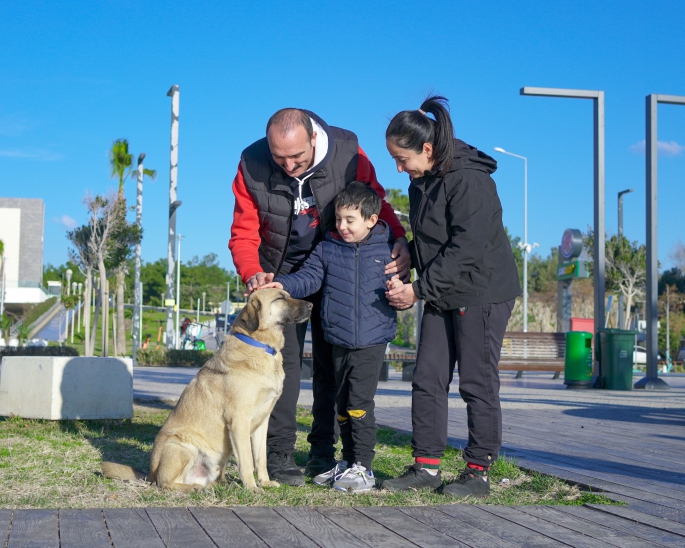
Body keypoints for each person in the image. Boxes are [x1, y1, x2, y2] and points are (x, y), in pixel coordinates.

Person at [229, 108, 410, 486]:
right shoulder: (251, 163)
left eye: (298, 156)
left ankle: (321, 454)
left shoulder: (349, 152)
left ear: (313, 138)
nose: (290, 165)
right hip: (281, 276)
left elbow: (375, 203)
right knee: (282, 369)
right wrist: (253, 273)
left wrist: (399, 241)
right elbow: (243, 232)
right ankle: (278, 455)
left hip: (336, 263)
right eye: (280, 158)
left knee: (329, 369)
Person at [380, 96, 521, 498]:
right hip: (443, 289)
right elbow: (433, 234)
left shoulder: (469, 179)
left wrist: (419, 291)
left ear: (427, 148)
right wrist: (407, 246)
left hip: (481, 291)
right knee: (427, 377)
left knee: (476, 382)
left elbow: (466, 247)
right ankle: (426, 467)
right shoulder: (421, 178)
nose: (399, 167)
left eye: (401, 158)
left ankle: (478, 471)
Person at [258, 182, 396, 493]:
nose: (342, 226)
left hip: (371, 341)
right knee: (342, 402)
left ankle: (364, 466)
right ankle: (347, 462)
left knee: (359, 403)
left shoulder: (387, 250)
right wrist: (278, 285)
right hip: (338, 337)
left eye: (351, 220)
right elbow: (308, 278)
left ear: (371, 220)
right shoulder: (327, 248)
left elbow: (402, 283)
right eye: (338, 220)